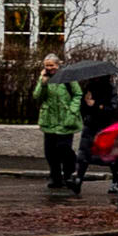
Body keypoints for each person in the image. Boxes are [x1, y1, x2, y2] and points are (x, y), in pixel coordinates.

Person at [33, 65, 87, 197]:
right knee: (50, 151)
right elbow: (37, 97)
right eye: (47, 65)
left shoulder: (68, 78)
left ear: (58, 65)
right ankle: (55, 176)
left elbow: (78, 94)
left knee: (63, 147)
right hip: (49, 120)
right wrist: (43, 83)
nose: (49, 68)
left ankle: (69, 174)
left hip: (65, 120)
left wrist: (72, 110)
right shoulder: (44, 79)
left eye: (52, 65)